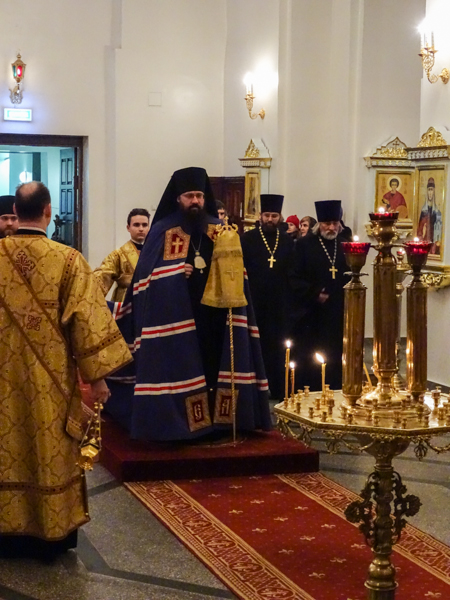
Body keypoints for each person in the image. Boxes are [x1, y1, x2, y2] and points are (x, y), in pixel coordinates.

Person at [0, 182, 132, 559]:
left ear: (16, 211)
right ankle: (49, 532)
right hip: (50, 380)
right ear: (48, 211)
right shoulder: (69, 260)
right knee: (49, 448)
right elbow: (87, 322)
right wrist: (97, 379)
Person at [106, 167, 271, 441]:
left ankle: (221, 421)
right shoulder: (162, 230)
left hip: (216, 317)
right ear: (178, 198)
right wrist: (173, 273)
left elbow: (237, 273)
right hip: (177, 319)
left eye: (199, 196)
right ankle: (185, 423)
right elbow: (143, 282)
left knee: (214, 365)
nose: (195, 201)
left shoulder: (220, 231)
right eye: (189, 196)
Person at [289, 200, 350, 391]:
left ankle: (335, 391)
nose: (331, 228)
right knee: (311, 357)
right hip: (311, 314)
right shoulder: (304, 245)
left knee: (335, 355)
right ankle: (309, 393)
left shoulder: (344, 245)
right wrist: (315, 293)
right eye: (327, 224)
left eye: (335, 223)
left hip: (337, 312)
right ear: (319, 224)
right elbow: (293, 276)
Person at [241, 195, 295, 400]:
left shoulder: (287, 241)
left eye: (274, 215)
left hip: (280, 303)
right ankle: (255, 390)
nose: (270, 219)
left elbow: (291, 272)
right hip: (254, 301)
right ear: (260, 216)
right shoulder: (248, 239)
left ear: (279, 217)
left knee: (278, 347)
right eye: (267, 215)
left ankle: (279, 388)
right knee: (256, 345)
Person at [94, 208, 150, 302]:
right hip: (126, 302)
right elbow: (102, 275)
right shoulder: (118, 255)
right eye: (136, 225)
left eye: (144, 225)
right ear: (128, 228)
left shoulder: (156, 252)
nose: (141, 229)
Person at [417, 177, 442, 256]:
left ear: (434, 192)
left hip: (433, 241)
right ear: (427, 192)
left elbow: (439, 229)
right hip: (424, 239)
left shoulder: (437, 211)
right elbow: (420, 228)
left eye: (432, 190)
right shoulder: (424, 210)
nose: (430, 193)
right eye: (429, 190)